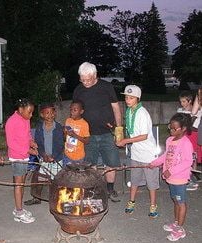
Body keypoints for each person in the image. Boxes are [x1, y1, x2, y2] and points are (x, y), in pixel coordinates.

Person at [73, 62, 122, 202]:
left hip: (108, 133)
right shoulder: (78, 90)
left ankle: (110, 189)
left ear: (95, 75)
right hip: (88, 135)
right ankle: (94, 188)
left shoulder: (106, 87)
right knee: (90, 164)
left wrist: (118, 130)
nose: (85, 83)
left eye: (88, 79)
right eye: (82, 80)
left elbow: (116, 108)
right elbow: (76, 110)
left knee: (111, 163)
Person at [116, 85, 160, 218]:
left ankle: (153, 205)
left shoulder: (142, 113)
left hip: (148, 154)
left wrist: (125, 141)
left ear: (138, 98)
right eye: (126, 97)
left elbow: (144, 136)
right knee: (134, 179)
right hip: (136, 152)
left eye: (131, 98)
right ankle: (131, 201)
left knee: (151, 182)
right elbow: (130, 130)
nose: (128, 100)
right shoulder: (129, 111)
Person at [149, 113, 193, 241]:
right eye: (170, 127)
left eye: (174, 128)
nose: (171, 130)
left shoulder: (186, 143)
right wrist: (154, 163)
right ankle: (176, 222)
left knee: (181, 202)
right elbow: (165, 156)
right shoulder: (169, 140)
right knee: (175, 200)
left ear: (183, 129)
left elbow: (187, 161)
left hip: (179, 179)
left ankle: (180, 228)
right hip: (171, 178)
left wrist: (171, 170)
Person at [5, 98, 38, 223]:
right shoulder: (12, 122)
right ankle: (19, 212)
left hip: (24, 156)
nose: (31, 115)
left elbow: (28, 134)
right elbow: (11, 143)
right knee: (18, 184)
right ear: (20, 109)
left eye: (32, 112)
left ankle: (19, 208)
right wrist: (28, 151)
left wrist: (31, 142)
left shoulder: (26, 119)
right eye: (29, 112)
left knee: (22, 183)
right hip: (17, 156)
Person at [24, 103, 64, 206]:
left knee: (56, 179)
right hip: (44, 157)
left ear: (54, 114)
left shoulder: (58, 127)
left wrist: (53, 156)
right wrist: (43, 155)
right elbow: (38, 144)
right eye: (47, 113)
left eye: (52, 113)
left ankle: (57, 199)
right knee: (41, 178)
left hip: (56, 159)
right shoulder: (39, 128)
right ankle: (37, 197)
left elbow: (60, 145)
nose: (50, 115)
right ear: (42, 115)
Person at [177, 91, 201, 190]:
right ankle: (186, 175)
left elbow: (194, 116)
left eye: (184, 101)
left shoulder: (197, 111)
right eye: (181, 101)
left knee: (194, 155)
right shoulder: (180, 110)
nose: (182, 103)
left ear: (190, 101)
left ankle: (193, 175)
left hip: (193, 134)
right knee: (185, 155)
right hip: (184, 134)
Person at [63, 100, 90, 165]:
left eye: (75, 110)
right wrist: (65, 133)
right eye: (71, 109)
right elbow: (64, 139)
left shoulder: (84, 124)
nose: (72, 112)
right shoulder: (68, 120)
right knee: (66, 174)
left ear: (81, 111)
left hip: (78, 157)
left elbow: (87, 141)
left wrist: (75, 135)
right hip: (67, 155)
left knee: (77, 175)